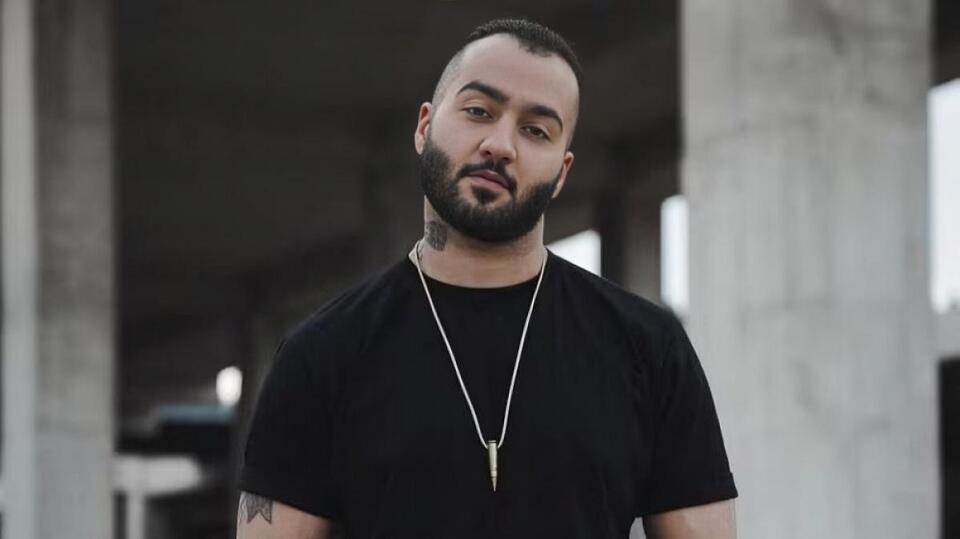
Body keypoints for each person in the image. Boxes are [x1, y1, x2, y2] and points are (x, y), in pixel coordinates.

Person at [237, 18, 737, 539]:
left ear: (562, 173)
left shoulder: (648, 348)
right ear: (425, 127)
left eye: (536, 130)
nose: (500, 145)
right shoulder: (322, 353)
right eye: (478, 111)